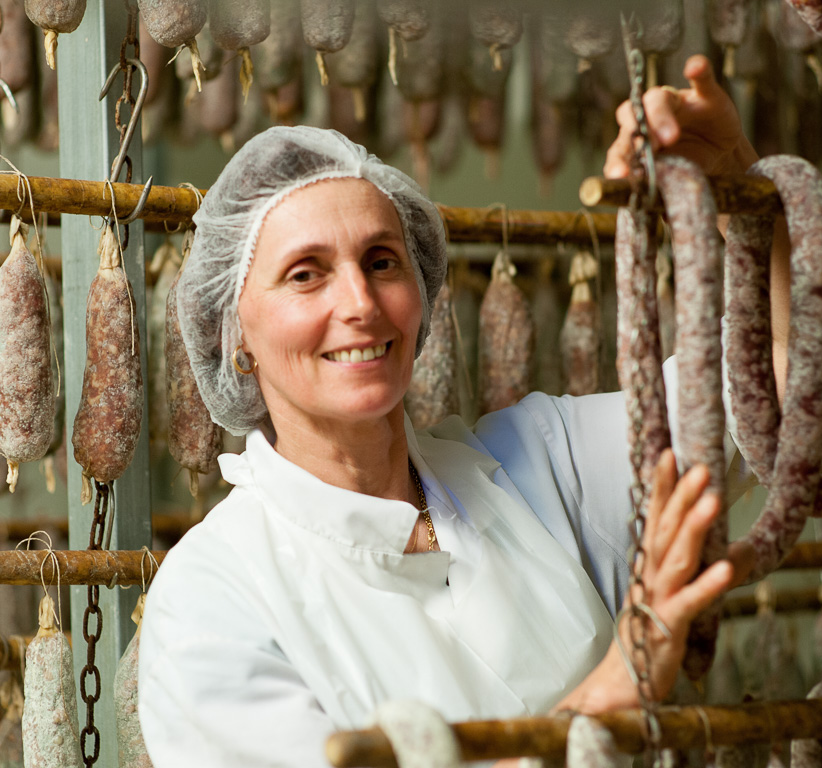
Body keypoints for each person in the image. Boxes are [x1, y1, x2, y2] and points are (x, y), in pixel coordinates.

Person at [138, 55, 783, 767]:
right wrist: (616, 683)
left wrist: (742, 189)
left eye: (382, 261)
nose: (359, 303)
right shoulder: (213, 595)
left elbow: (776, 385)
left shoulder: (540, 463)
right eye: (305, 274)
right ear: (235, 339)